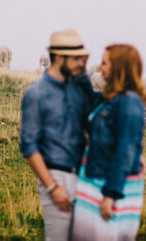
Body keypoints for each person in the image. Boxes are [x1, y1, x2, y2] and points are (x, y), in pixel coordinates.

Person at [19, 29, 94, 241]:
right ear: (60, 57)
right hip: (57, 178)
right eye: (77, 59)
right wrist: (52, 187)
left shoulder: (78, 89)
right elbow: (29, 145)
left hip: (84, 177)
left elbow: (95, 121)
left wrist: (84, 77)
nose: (82, 63)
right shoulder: (36, 94)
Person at [71, 44, 146, 240]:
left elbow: (125, 150)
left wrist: (110, 195)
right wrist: (79, 67)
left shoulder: (129, 103)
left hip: (106, 187)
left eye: (105, 63)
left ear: (119, 67)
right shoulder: (111, 100)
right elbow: (86, 99)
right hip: (94, 180)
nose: (99, 67)